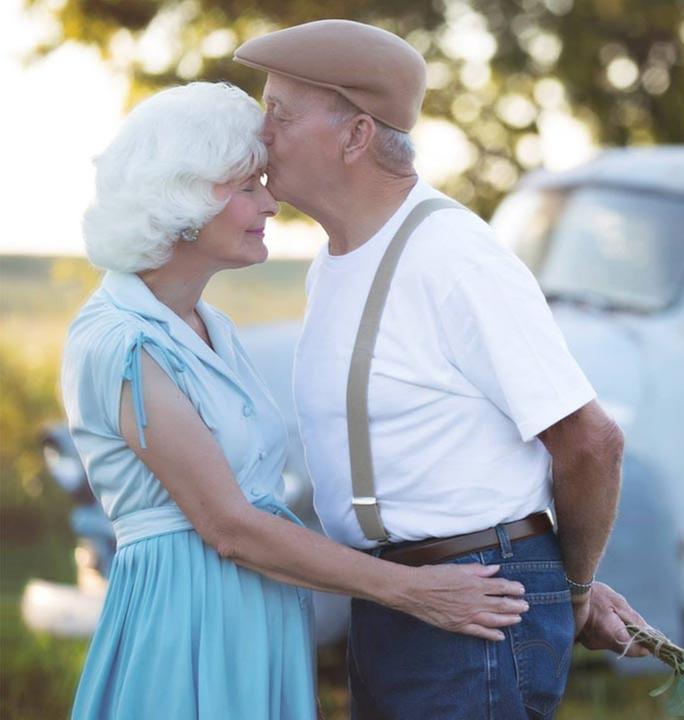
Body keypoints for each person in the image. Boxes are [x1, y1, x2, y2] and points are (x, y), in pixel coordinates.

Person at [61, 80, 529, 720]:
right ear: (182, 197)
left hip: (257, 611)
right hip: (188, 618)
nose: (271, 202)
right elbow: (229, 528)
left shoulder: (209, 325)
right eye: (247, 186)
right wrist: (414, 592)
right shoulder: (122, 342)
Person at [232, 19, 648, 719]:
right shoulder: (339, 261)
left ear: (356, 135)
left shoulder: (453, 255)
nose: (259, 134)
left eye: (279, 113)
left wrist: (568, 590)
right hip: (396, 600)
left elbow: (592, 442)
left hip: (472, 608)